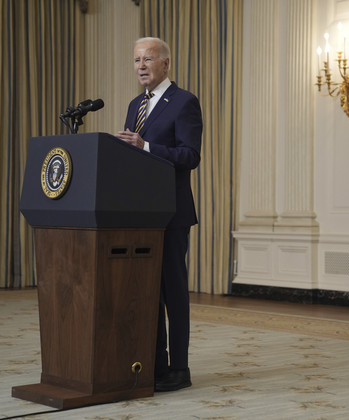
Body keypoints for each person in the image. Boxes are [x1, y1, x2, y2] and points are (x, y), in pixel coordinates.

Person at [116, 37, 202, 392]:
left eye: (148, 59)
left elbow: (189, 156)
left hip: (171, 213)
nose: (140, 65)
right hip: (141, 214)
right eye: (136, 59)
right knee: (148, 293)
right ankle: (155, 364)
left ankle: (179, 369)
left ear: (165, 63)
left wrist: (145, 145)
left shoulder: (184, 102)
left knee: (173, 292)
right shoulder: (136, 104)